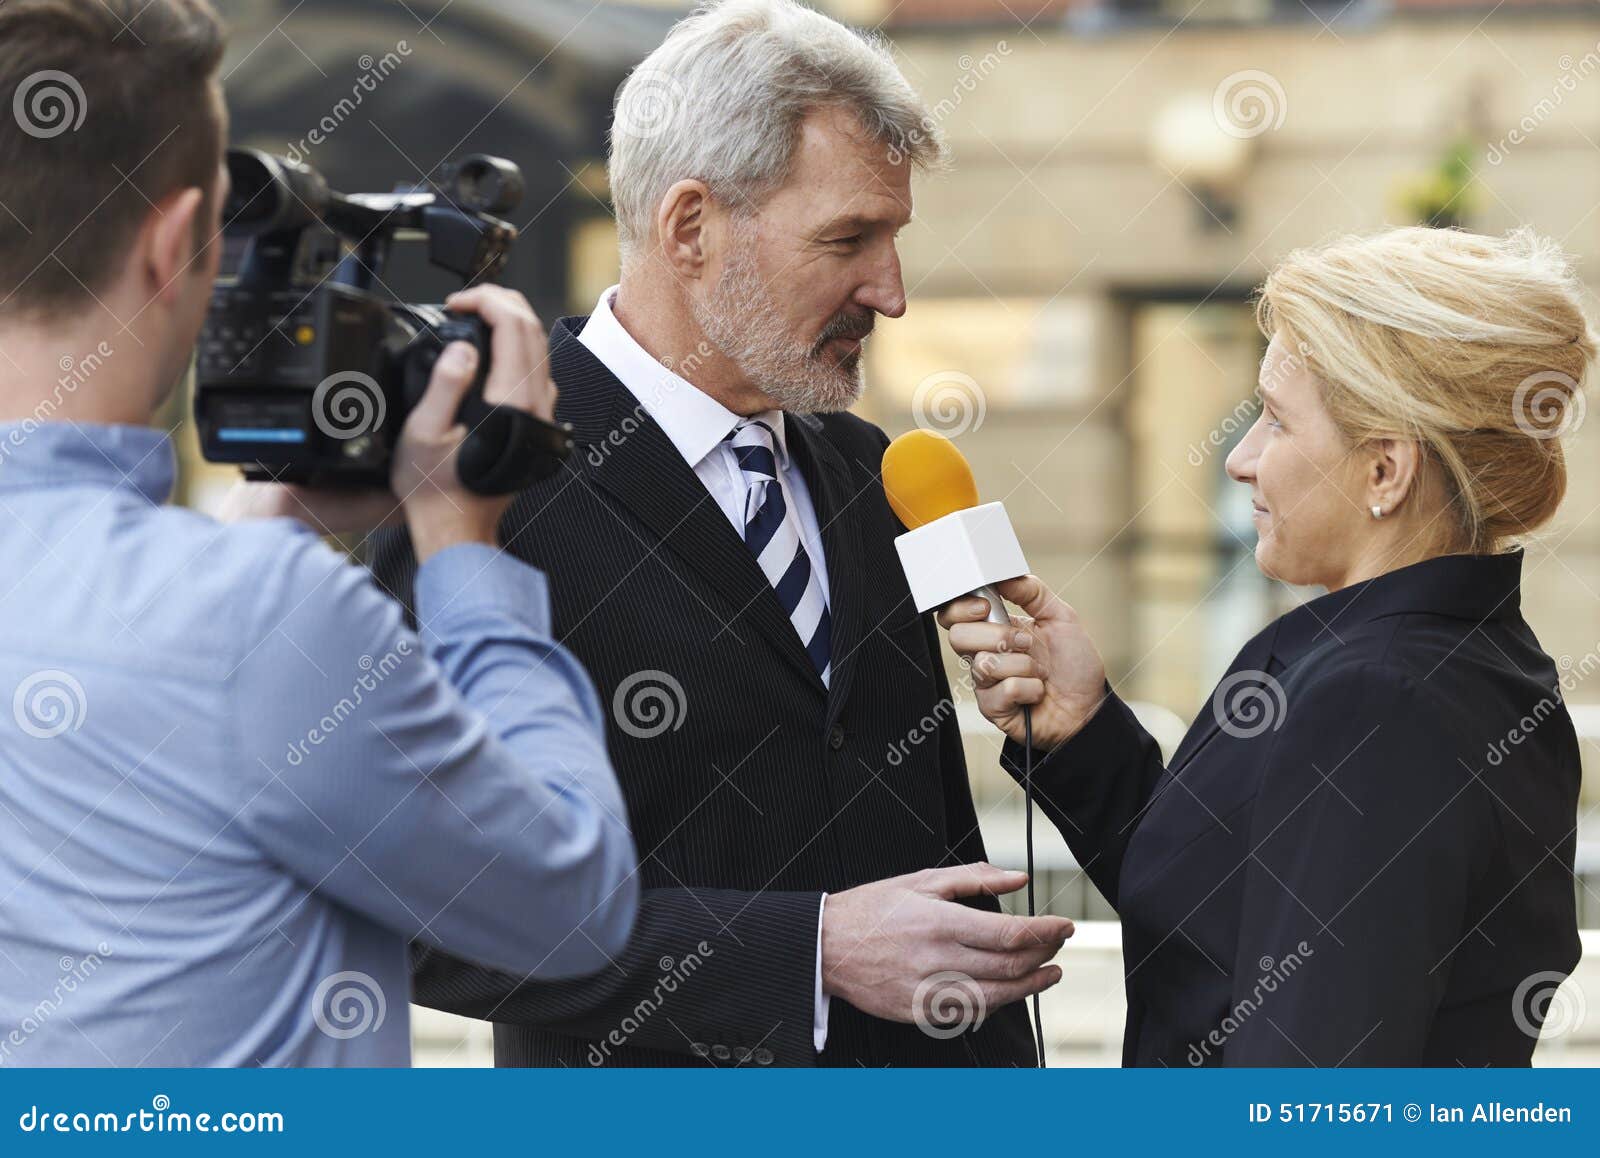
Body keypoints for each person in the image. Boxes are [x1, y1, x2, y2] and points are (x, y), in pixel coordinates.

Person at [367, 0, 1072, 1067]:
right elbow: (420, 901)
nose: (890, 292)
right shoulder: (471, 479)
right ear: (689, 227)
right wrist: (808, 952)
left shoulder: (868, 468)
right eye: (848, 239)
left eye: (894, 238)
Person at [0, 0, 636, 1066]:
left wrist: (272, 522)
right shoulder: (252, 619)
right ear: (171, 248)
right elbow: (571, 900)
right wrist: (464, 546)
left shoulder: (229, 601)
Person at [941, 225, 1590, 1066]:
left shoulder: (1378, 700)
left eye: (1275, 423)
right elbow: (1228, 914)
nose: (1241, 459)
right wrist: (1081, 727)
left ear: (1383, 471)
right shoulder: (1445, 659)